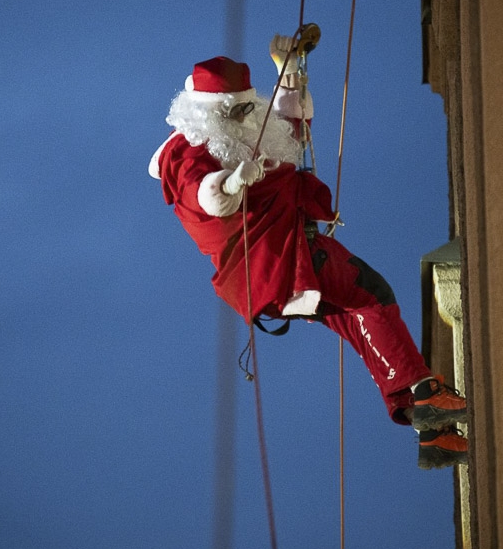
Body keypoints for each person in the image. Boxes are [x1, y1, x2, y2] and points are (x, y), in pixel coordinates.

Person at [148, 35, 469, 468]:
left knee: (358, 319)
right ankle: (425, 393)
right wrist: (231, 181)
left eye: (248, 107)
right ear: (208, 110)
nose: (246, 116)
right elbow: (204, 195)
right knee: (369, 294)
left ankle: (427, 425)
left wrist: (289, 72)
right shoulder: (188, 150)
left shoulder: (238, 134)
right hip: (277, 262)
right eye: (236, 110)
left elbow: (284, 132)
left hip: (277, 269)